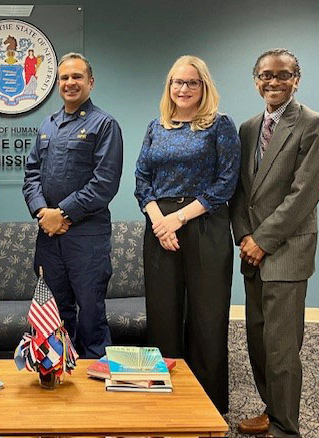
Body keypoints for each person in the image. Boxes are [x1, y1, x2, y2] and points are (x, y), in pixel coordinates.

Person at [230, 48, 319, 437]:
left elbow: (304, 194)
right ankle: (272, 410)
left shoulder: (313, 124)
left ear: (296, 79)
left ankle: (286, 428)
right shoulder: (248, 128)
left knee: (282, 349)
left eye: (282, 75)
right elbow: (241, 192)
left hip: (286, 251)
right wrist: (245, 237)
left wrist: (264, 240)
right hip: (251, 250)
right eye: (265, 75)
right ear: (256, 80)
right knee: (257, 340)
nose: (273, 81)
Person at [134, 55, 240, 414]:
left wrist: (176, 218)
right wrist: (158, 221)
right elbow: (141, 180)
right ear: (169, 87)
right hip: (159, 229)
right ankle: (167, 406)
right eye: (177, 82)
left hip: (204, 227)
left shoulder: (219, 126)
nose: (183, 89)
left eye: (191, 83)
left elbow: (226, 183)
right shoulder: (155, 127)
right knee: (163, 317)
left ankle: (207, 408)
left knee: (207, 319)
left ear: (204, 87)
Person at [22, 52, 123, 359]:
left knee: (91, 314)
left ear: (90, 82)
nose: (70, 83)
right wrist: (43, 213)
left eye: (77, 77)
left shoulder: (104, 125)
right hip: (50, 239)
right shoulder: (47, 125)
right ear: (57, 84)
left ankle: (93, 394)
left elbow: (104, 182)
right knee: (54, 315)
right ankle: (57, 378)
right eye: (64, 78)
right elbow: (31, 176)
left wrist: (62, 213)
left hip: (87, 239)